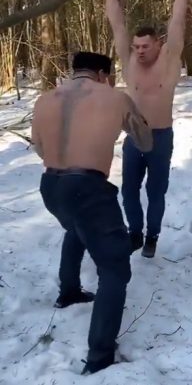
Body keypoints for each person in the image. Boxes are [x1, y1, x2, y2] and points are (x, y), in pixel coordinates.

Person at [30, 51, 153, 374]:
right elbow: (145, 142)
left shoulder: (45, 99)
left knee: (77, 228)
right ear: (103, 74)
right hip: (88, 188)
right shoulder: (114, 97)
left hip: (51, 187)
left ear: (75, 72)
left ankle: (69, 291)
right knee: (114, 268)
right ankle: (99, 356)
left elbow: (40, 147)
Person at [102, 0, 188, 257]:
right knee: (128, 191)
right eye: (136, 46)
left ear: (158, 44)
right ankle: (135, 232)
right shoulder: (129, 62)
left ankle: (152, 235)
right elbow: (117, 25)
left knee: (155, 192)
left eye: (144, 46)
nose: (139, 50)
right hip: (134, 137)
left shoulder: (170, 58)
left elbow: (177, 21)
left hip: (161, 136)